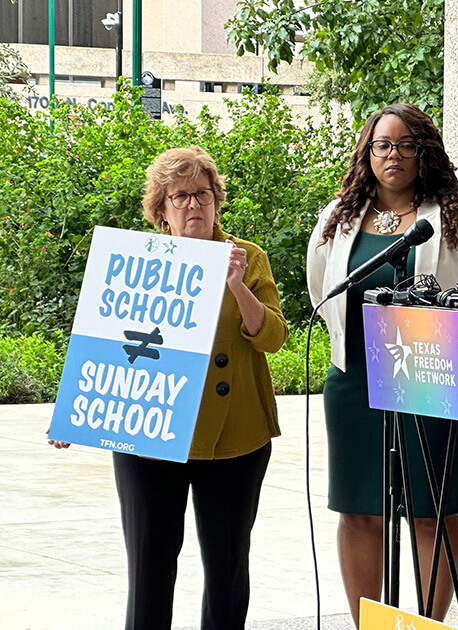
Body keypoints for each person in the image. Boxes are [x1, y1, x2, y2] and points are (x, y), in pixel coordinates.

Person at [49, 146, 288, 629]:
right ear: (161, 210)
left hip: (234, 439)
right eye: (180, 196)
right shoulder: (135, 262)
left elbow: (273, 337)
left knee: (227, 570)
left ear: (217, 200)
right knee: (149, 568)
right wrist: (76, 411)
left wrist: (237, 285)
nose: (193, 205)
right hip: (148, 436)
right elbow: (104, 340)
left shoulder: (248, 257)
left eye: (202, 193)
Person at [306, 103, 458, 624]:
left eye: (406, 145)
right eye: (382, 145)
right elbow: (321, 287)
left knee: (431, 511)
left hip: (432, 373)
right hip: (354, 378)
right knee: (358, 510)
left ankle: (424, 623)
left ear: (426, 152)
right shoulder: (340, 215)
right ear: (367, 152)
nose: (393, 155)